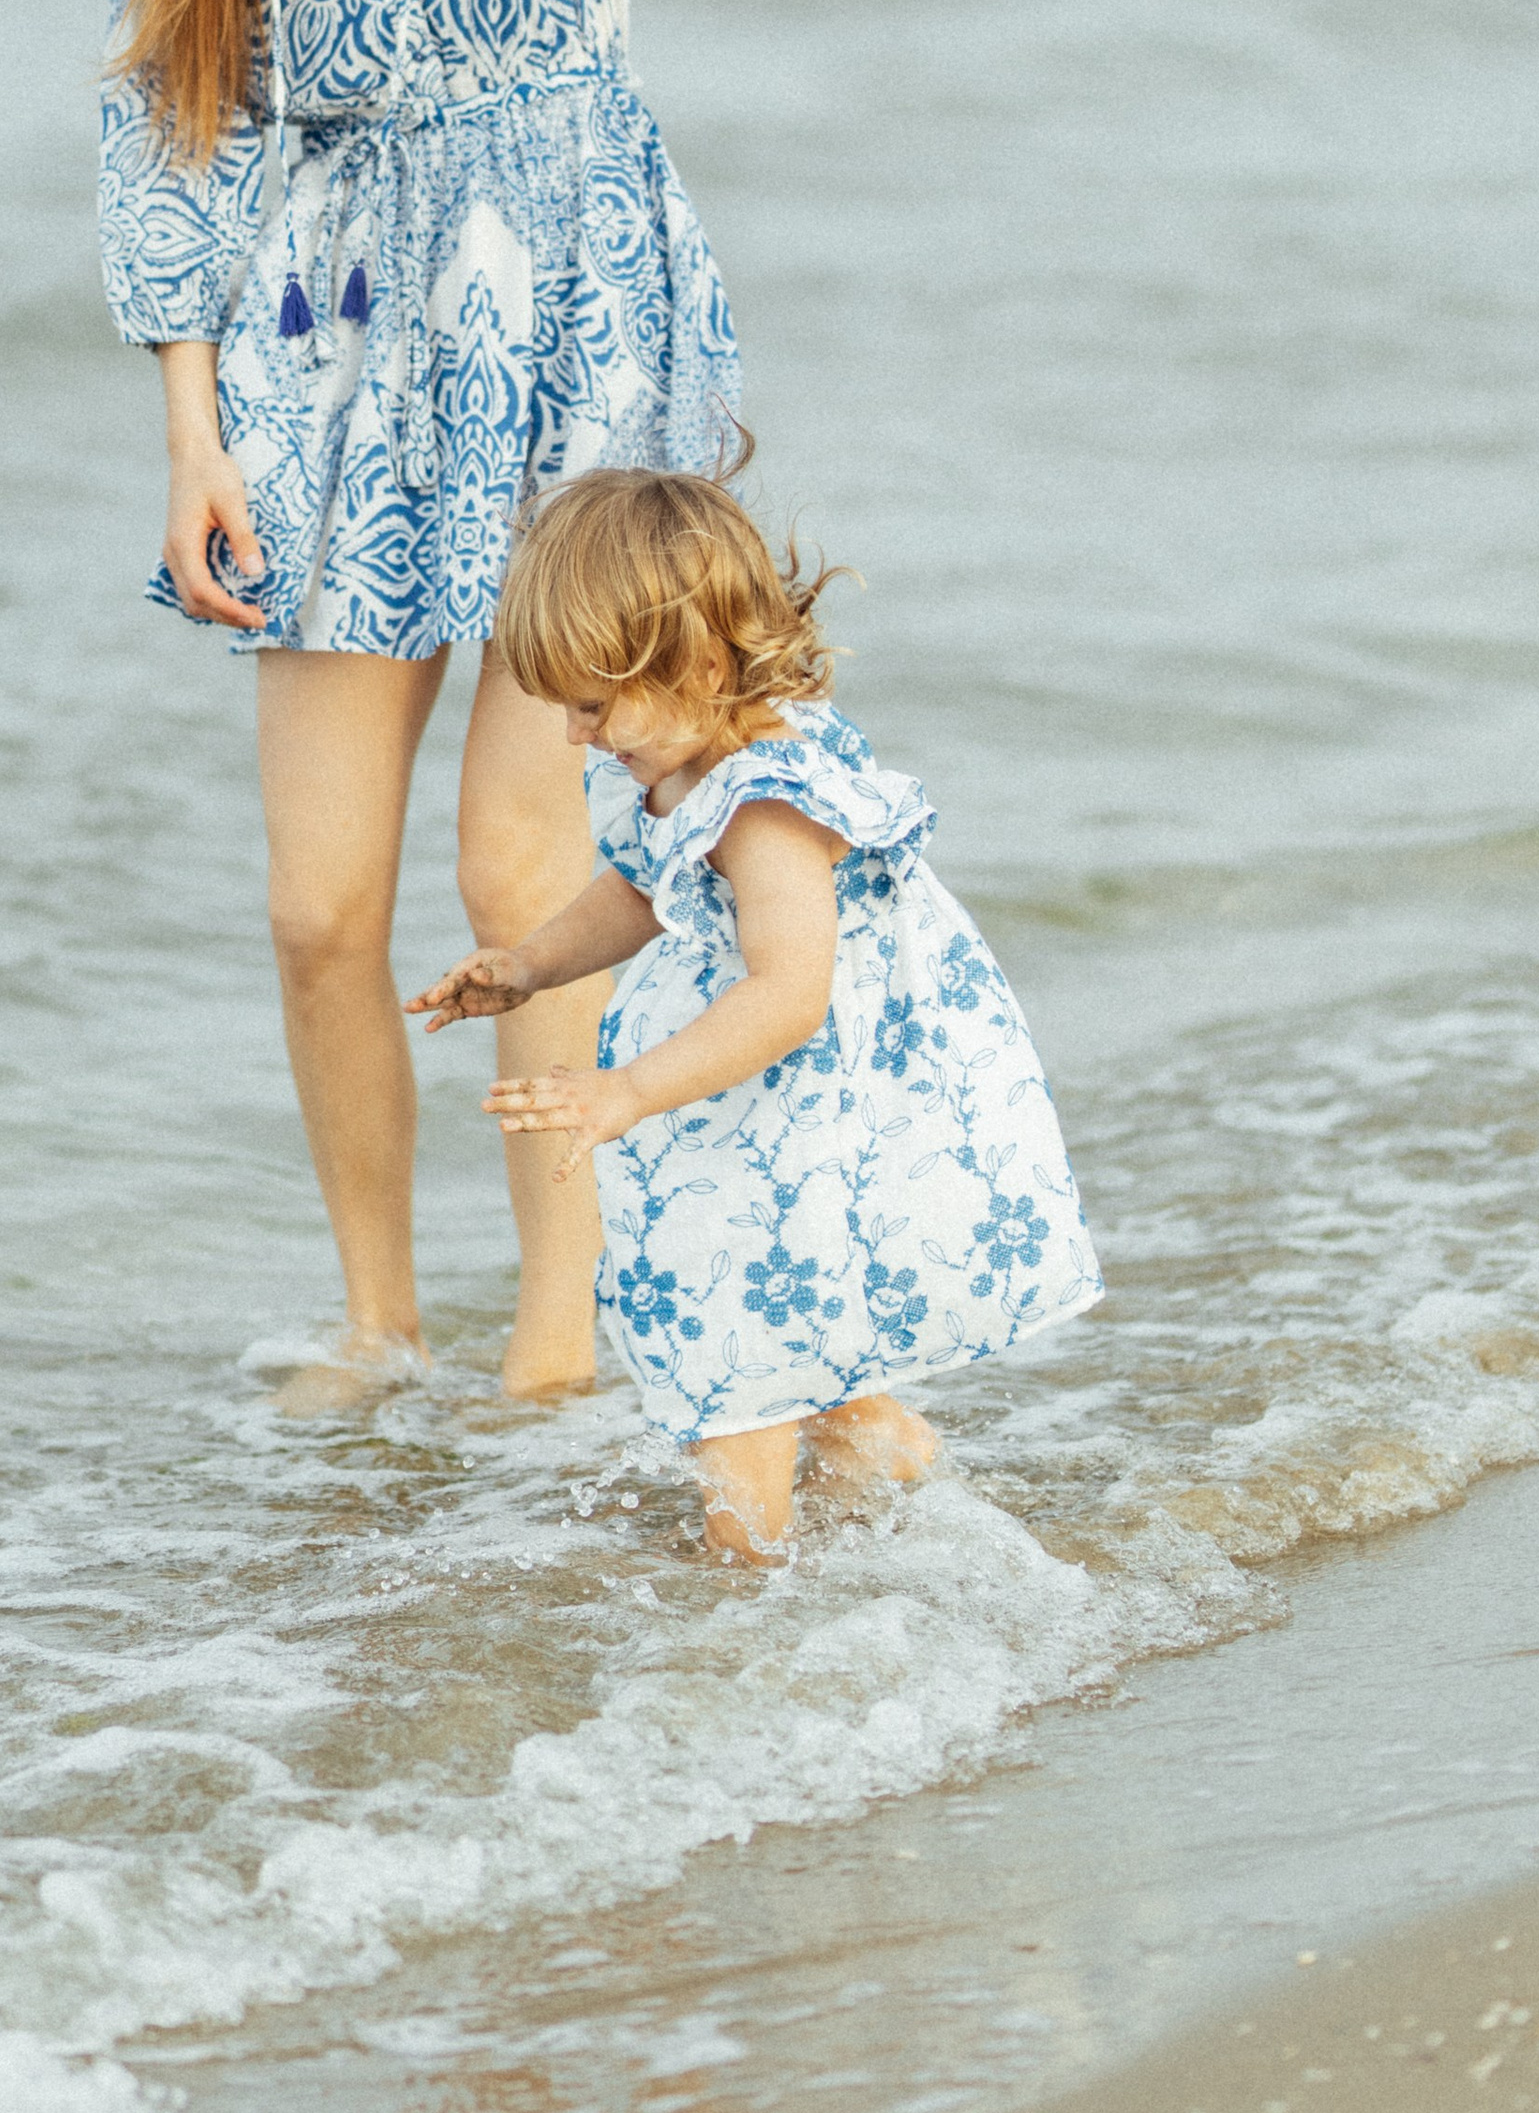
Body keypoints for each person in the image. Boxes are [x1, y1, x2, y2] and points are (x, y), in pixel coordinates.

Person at [97, 0, 738, 1398]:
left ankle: (557, 1330)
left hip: (574, 307)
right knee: (316, 902)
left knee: (519, 863)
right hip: (323, 348)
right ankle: (380, 1323)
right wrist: (191, 429)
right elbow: (171, 110)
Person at [404, 468, 1102, 1558]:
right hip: (754, 1106)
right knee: (784, 1317)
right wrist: (531, 965)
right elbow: (641, 886)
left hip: (793, 1099)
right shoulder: (686, 763)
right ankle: (884, 1457)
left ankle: (742, 1588)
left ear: (685, 655)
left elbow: (788, 990)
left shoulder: (766, 804)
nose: (579, 737)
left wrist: (626, 1089)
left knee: (740, 1335)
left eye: (592, 704)